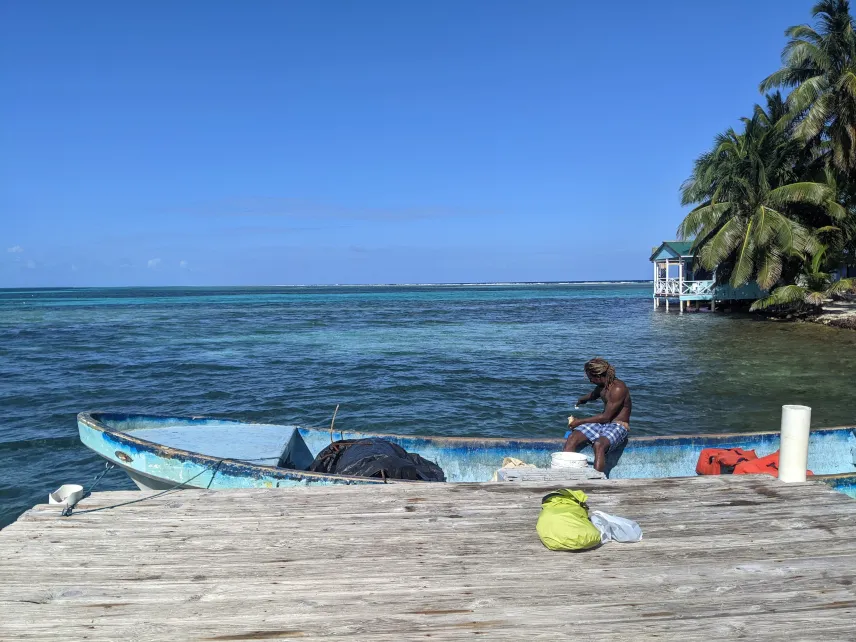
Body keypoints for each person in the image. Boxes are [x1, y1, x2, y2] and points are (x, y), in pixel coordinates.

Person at [563, 358, 631, 473]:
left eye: (591, 378)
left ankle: (596, 482)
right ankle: (567, 474)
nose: (590, 381)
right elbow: (594, 395)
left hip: (618, 425)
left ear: (598, 376)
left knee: (599, 445)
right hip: (602, 423)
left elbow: (606, 417)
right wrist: (582, 399)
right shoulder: (602, 386)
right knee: (572, 438)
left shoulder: (618, 389)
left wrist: (579, 422)